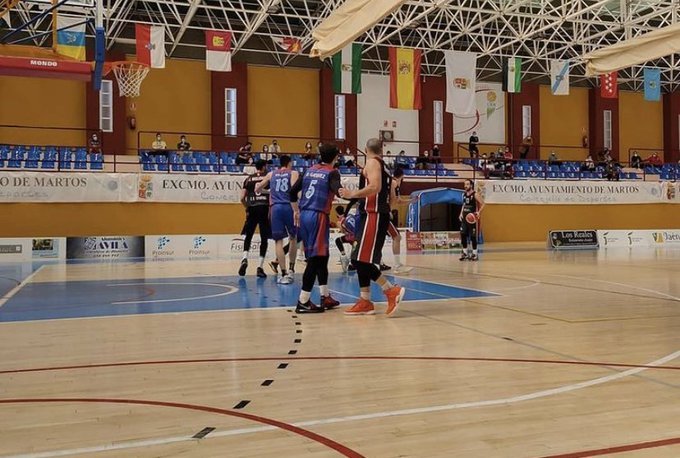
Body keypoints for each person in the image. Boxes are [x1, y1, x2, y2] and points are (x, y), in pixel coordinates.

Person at [339, 138, 405, 317]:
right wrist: (387, 210)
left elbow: (375, 187)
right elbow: (391, 194)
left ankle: (391, 290)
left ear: (365, 149)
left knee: (358, 260)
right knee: (360, 259)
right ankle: (365, 300)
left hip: (373, 214)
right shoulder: (384, 166)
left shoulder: (372, 163)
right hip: (374, 214)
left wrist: (352, 193)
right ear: (381, 149)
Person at [290, 144, 343, 313]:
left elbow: (292, 192)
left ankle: (324, 295)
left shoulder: (309, 170)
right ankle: (303, 301)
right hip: (318, 216)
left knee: (322, 256)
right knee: (314, 259)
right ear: (335, 157)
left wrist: (296, 211)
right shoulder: (332, 172)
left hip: (305, 214)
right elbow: (338, 190)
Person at [255, 155, 299, 284]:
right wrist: (297, 209)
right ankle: (291, 269)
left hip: (275, 208)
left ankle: (283, 272)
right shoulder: (293, 173)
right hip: (289, 206)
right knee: (293, 237)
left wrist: (269, 192)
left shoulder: (271, 174)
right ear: (289, 163)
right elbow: (294, 190)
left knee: (278, 241)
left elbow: (257, 188)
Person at [238, 160, 271, 278]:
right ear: (264, 167)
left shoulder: (248, 179)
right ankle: (260, 267)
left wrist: (247, 208)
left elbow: (242, 197)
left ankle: (244, 259)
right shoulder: (267, 178)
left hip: (252, 208)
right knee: (264, 238)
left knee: (249, 236)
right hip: (264, 208)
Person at [385, 167, 411, 274]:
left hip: (382, 212)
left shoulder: (390, 182)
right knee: (397, 237)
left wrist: (410, 201)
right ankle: (397, 265)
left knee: (379, 239)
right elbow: (396, 200)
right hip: (384, 213)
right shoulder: (394, 183)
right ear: (401, 177)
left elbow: (398, 201)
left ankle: (378, 263)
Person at [459, 179, 484, 261]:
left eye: (467, 184)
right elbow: (464, 204)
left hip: (472, 218)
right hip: (464, 218)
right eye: (464, 184)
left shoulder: (475, 194)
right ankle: (465, 253)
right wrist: (461, 213)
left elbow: (483, 204)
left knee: (473, 237)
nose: (465, 186)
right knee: (463, 234)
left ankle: (475, 254)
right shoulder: (464, 194)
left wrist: (478, 212)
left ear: (471, 185)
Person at [335, 205, 357, 273]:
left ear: (337, 213)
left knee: (338, 240)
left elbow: (343, 231)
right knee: (354, 245)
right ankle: (351, 261)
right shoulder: (350, 214)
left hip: (354, 237)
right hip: (360, 234)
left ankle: (344, 256)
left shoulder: (339, 221)